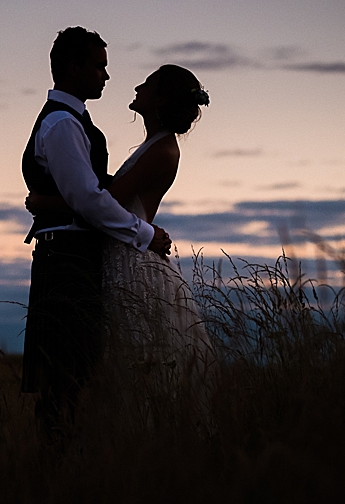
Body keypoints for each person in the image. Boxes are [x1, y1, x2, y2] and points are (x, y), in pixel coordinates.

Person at [27, 64, 215, 430]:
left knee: (138, 362)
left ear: (159, 100)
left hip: (132, 261)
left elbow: (104, 199)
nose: (136, 86)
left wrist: (46, 202)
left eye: (146, 83)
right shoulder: (152, 145)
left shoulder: (163, 151)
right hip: (120, 253)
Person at [20, 27, 172, 442]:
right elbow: (88, 199)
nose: (106, 76)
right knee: (67, 376)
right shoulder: (63, 125)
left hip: (71, 257)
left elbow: (89, 190)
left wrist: (48, 203)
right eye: (99, 66)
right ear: (73, 68)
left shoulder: (70, 122)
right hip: (66, 259)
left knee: (76, 373)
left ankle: (64, 465)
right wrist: (145, 234)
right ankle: (54, 470)